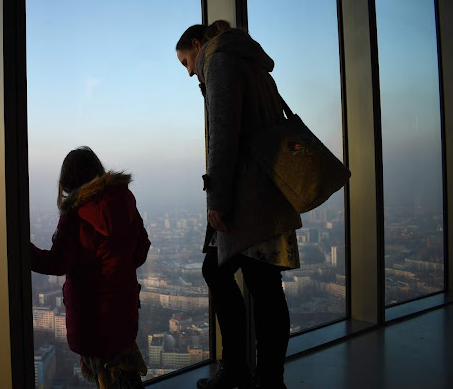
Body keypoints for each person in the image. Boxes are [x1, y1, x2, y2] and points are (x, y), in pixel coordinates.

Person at [175, 21, 303, 389]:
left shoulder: (219, 62)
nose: (189, 72)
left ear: (199, 45)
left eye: (186, 61)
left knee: (228, 277)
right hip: (269, 190)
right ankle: (264, 377)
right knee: (265, 288)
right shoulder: (251, 61)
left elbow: (223, 134)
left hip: (247, 197)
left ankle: (241, 371)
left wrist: (216, 199)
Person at [30, 146, 151, 389]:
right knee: (123, 372)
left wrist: (22, 249)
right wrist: (119, 268)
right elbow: (141, 248)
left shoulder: (75, 215)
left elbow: (56, 262)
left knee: (107, 376)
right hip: (124, 305)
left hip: (93, 313)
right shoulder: (124, 201)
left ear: (67, 181)